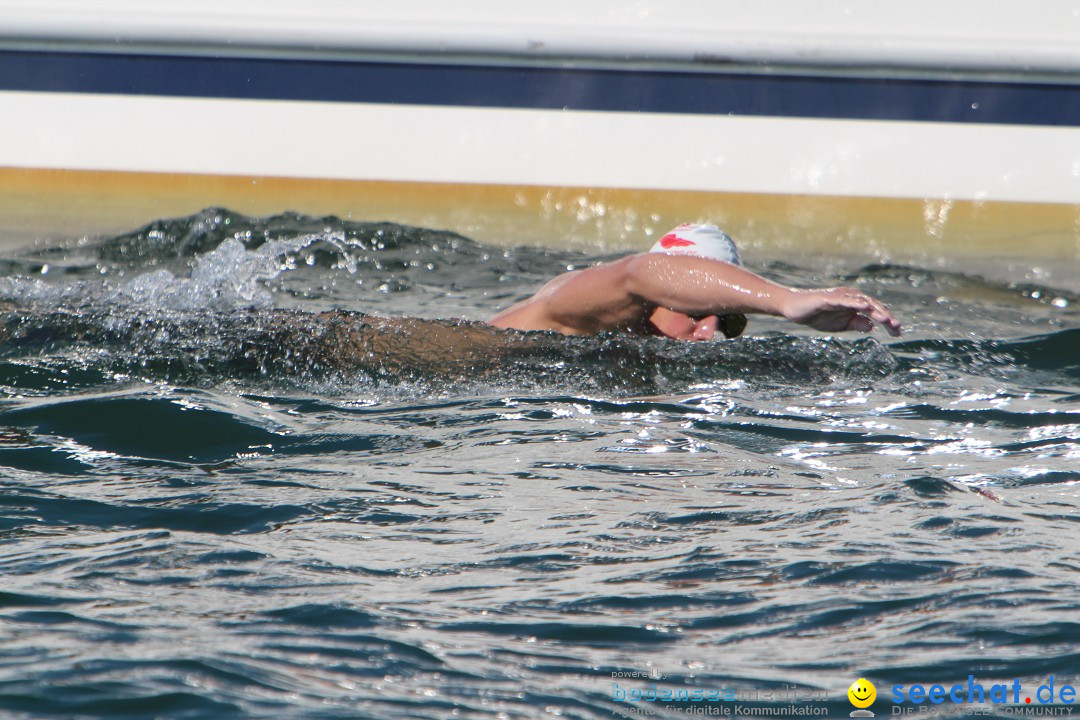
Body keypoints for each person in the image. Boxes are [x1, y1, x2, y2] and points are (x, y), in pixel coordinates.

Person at [488, 224, 902, 340]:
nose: (710, 332)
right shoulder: (572, 303)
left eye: (729, 322)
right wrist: (786, 301)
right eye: (698, 310)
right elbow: (640, 274)